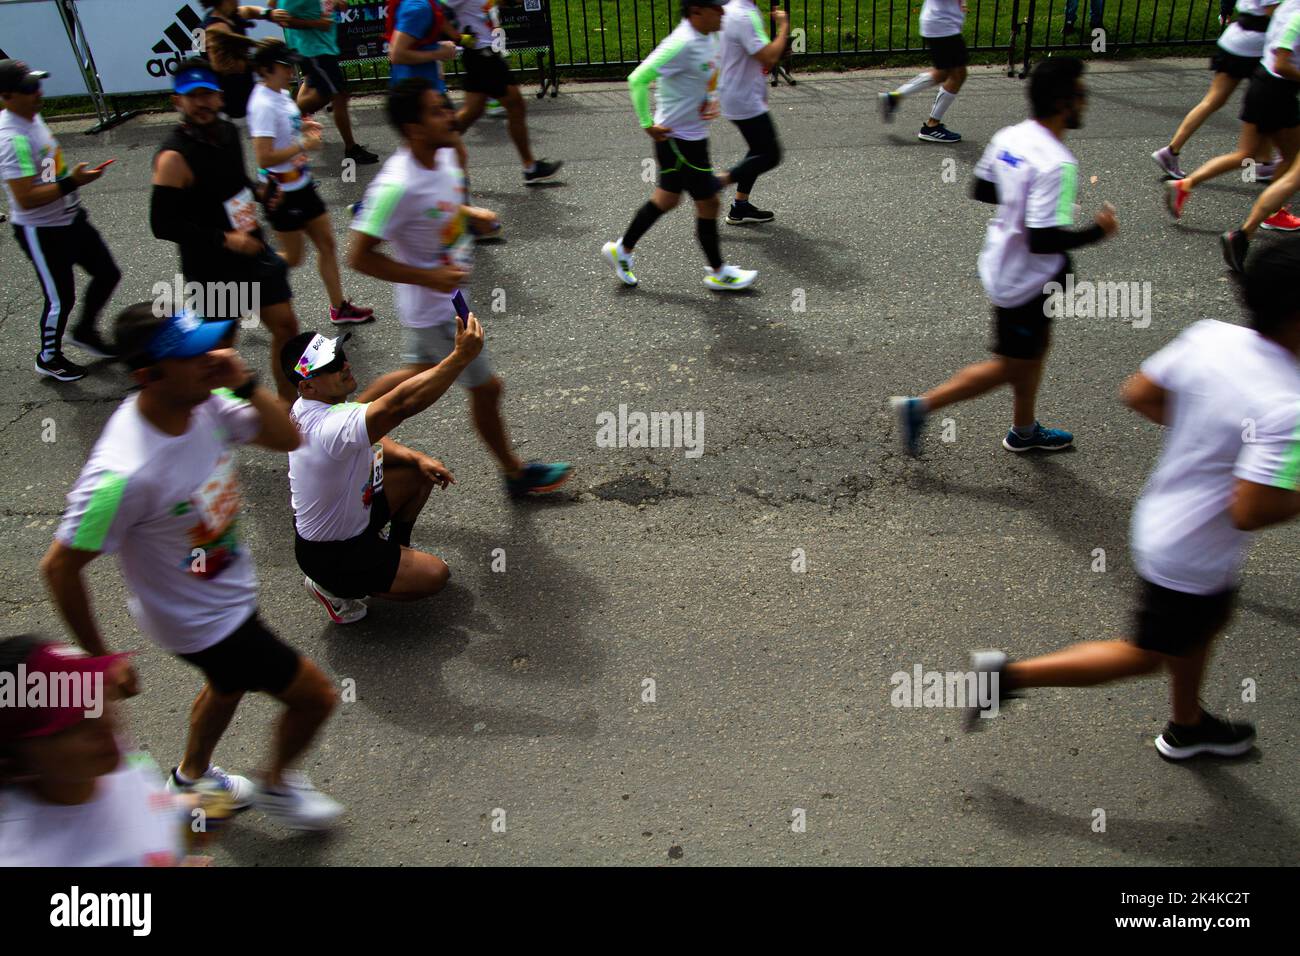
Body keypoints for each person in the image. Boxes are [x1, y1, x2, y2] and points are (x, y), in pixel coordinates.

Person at [966, 240, 1300, 761]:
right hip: (1192, 556)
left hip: (1162, 519)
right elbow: (1252, 510)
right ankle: (1005, 677)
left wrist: (1208, 433)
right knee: (1144, 655)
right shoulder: (1289, 406)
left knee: (1195, 630)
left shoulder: (1211, 339)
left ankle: (1188, 725)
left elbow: (1139, 393)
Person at [41, 302, 344, 830]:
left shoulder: (206, 401)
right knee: (316, 698)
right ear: (148, 376)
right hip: (202, 621)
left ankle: (190, 778)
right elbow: (59, 568)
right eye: (190, 355)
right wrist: (98, 661)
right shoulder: (123, 473)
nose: (210, 358)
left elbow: (286, 438)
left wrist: (246, 382)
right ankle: (275, 786)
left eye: (207, 345)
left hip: (223, 591)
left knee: (227, 686)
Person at [348, 79, 572, 497]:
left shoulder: (444, 154)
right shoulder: (397, 184)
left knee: (417, 375)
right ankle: (514, 474)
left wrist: (470, 214)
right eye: (437, 111)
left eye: (446, 106)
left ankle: (343, 426)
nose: (451, 115)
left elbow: (441, 205)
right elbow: (359, 256)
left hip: (449, 299)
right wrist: (429, 277)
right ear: (414, 128)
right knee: (485, 387)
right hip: (434, 306)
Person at [891, 57, 1118, 455]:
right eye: (1082, 95)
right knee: (1012, 365)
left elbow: (980, 188)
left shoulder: (1011, 136)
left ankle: (1024, 430)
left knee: (1036, 349)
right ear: (1064, 103)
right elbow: (1041, 239)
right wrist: (1097, 232)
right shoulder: (1058, 164)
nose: (1086, 103)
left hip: (1010, 264)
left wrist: (1020, 197)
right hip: (1023, 280)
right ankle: (921, 407)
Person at [283, 318, 482, 623]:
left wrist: (414, 457)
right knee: (436, 576)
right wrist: (459, 358)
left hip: (350, 517)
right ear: (307, 385)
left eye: (341, 355)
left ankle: (395, 551)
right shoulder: (327, 427)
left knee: (416, 471)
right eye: (332, 366)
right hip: (333, 554)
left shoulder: (309, 405)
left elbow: (369, 428)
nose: (345, 365)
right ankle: (334, 590)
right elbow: (398, 405)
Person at [150, 57, 302, 401]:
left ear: (220, 97)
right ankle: (212, 416)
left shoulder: (228, 132)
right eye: (192, 96)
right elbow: (162, 224)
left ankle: (288, 407)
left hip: (253, 253)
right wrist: (224, 239)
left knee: (286, 327)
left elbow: (234, 182)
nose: (202, 103)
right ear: (178, 101)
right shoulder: (173, 157)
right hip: (213, 265)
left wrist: (261, 194)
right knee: (220, 348)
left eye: (207, 94)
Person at [0, 635, 203, 866]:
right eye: (69, 723)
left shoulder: (102, 757)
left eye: (92, 698)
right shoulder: (24, 859)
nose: (104, 723)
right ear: (21, 760)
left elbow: (143, 801)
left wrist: (191, 826)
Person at [600, 0, 758, 292]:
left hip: (690, 136)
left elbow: (708, 73)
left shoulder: (708, 36)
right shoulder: (681, 43)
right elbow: (637, 78)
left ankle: (622, 249)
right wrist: (646, 122)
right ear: (696, 11)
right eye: (717, 7)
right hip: (679, 141)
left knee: (667, 199)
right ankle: (718, 272)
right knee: (709, 202)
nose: (724, 12)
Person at [0, 58, 120, 382]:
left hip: (70, 219)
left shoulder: (31, 117)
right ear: (7, 95)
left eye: (38, 83)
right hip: (41, 230)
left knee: (108, 273)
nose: (38, 92)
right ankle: (48, 357)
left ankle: (83, 332)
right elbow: (25, 196)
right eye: (28, 88)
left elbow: (45, 173)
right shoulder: (13, 139)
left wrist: (68, 183)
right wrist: (72, 183)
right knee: (60, 298)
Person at [248, 41, 374, 324]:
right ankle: (246, 281)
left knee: (327, 244)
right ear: (266, 70)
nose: (291, 70)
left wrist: (303, 126)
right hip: (281, 192)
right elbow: (264, 157)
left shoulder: (279, 93)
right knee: (293, 258)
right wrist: (302, 144)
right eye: (284, 66)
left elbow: (289, 123)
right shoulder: (262, 105)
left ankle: (339, 308)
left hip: (302, 184)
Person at [1165, 0, 1300, 262]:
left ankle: (1186, 184)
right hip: (1278, 93)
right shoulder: (1296, 14)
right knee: (1292, 160)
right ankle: (1266, 218)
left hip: (1262, 82)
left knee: (1247, 154)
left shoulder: (1287, 7)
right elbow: (1284, 62)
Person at [1152, 0, 1282, 182]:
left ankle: (1171, 151)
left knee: (1215, 100)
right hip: (1255, 46)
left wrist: (1225, 10)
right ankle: (1259, 164)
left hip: (1236, 39)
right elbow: (1276, 15)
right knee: (1262, 106)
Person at [442, 0, 563, 184]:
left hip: (484, 51)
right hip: (481, 54)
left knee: (472, 111)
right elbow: (438, 10)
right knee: (515, 105)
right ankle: (530, 167)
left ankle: (427, 147)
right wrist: (458, 37)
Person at [271, 0, 380, 164]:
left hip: (320, 46)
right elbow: (282, 17)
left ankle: (293, 117)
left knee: (315, 85)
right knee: (338, 94)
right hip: (314, 49)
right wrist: (317, 23)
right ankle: (350, 148)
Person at [718, 0, 789, 224]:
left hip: (737, 92)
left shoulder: (730, 8)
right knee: (770, 154)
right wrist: (784, 27)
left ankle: (740, 207)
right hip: (744, 98)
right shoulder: (743, 15)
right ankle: (715, 183)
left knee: (758, 150)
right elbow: (768, 57)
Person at [878, 0, 967, 143]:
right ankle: (932, 127)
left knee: (943, 73)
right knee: (958, 75)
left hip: (941, 24)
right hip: (943, 26)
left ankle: (894, 97)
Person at [201, 0, 288, 120]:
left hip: (246, 91)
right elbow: (219, 66)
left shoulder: (231, 15)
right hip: (231, 99)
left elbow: (249, 11)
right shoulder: (216, 28)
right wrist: (254, 60)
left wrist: (269, 14)